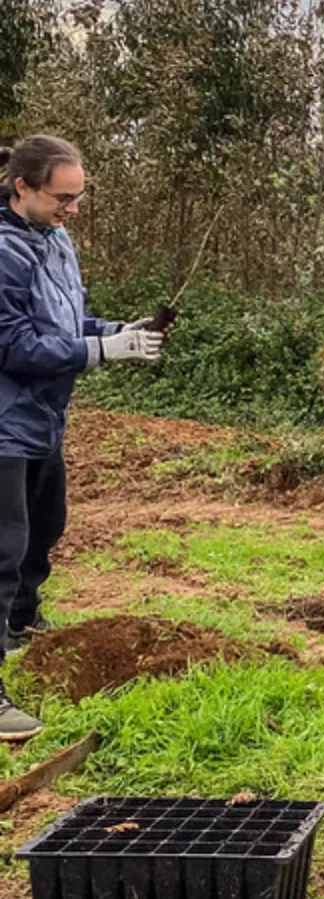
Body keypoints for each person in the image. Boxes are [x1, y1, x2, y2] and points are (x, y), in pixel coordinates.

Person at [0, 135, 164, 738]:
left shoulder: (56, 241)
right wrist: (98, 350)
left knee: (43, 531)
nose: (72, 209)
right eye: (62, 198)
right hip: (3, 424)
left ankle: (19, 628)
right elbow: (12, 342)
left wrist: (118, 331)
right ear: (23, 188)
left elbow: (65, 324)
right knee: (1, 550)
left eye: (78, 198)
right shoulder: (2, 252)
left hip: (43, 419)